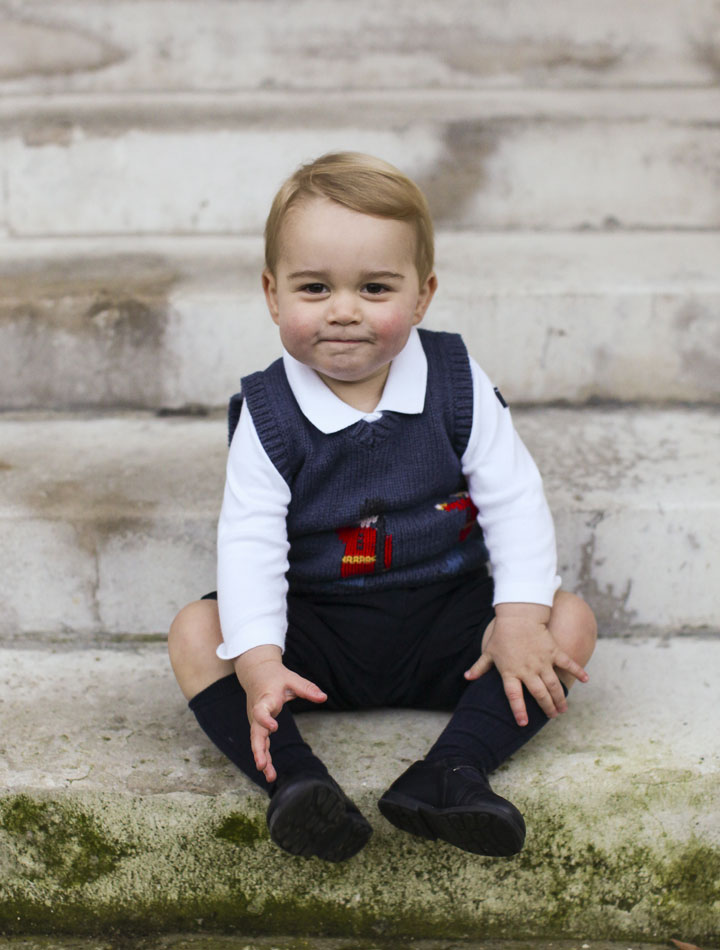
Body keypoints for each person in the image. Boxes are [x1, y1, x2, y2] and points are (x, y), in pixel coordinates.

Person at [168, 151, 597, 864]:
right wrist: (261, 659)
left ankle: (452, 772)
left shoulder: (456, 381)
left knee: (569, 618)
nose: (343, 311)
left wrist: (518, 620)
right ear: (272, 296)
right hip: (319, 632)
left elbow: (514, 496)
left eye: (374, 288)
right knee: (195, 632)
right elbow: (249, 541)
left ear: (423, 296)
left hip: (445, 621)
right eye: (314, 288)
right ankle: (299, 787)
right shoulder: (270, 415)